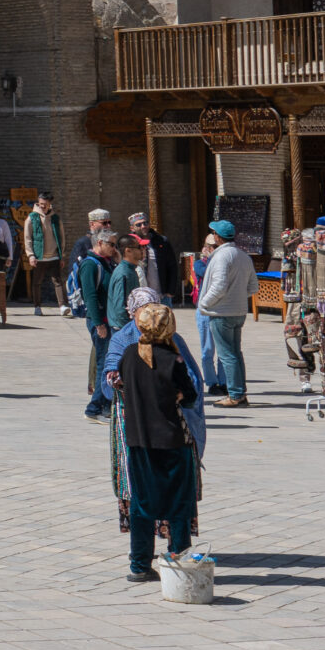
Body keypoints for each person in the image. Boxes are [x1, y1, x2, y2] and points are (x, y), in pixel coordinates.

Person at [111, 302, 201, 581]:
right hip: (172, 440)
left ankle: (139, 566)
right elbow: (190, 396)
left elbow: (126, 385)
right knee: (179, 505)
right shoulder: (173, 360)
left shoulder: (127, 354)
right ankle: (178, 564)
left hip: (138, 441)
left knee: (141, 504)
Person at [194, 220, 255, 406]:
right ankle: (239, 392)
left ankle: (236, 395)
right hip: (238, 311)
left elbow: (219, 286)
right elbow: (253, 287)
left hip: (221, 312)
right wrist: (237, 297)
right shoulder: (243, 256)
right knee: (235, 352)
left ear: (218, 237)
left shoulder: (221, 257)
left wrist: (204, 303)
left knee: (227, 354)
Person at [73, 231, 120, 418]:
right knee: (103, 363)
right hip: (99, 321)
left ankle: (103, 404)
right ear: (100, 243)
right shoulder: (90, 265)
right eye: (112, 245)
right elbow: (90, 295)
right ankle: (95, 408)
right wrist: (99, 323)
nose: (114, 248)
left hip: (108, 320)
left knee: (106, 362)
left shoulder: (106, 262)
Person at [22, 194, 61, 313]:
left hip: (54, 255)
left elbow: (61, 237)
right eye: (41, 203)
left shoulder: (55, 218)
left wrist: (61, 254)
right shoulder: (32, 218)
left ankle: (62, 305)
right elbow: (27, 238)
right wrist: (30, 255)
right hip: (39, 256)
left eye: (45, 204)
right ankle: (37, 306)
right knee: (37, 282)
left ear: (50, 204)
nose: (42, 206)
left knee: (58, 281)